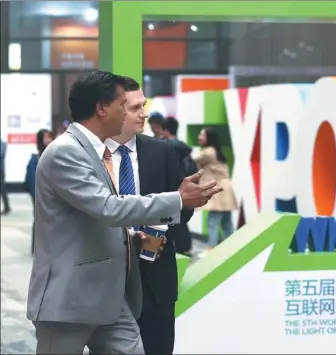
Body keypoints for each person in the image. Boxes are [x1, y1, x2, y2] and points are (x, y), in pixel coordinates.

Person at [26, 70, 223, 355]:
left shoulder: (93, 151)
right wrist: (177, 200)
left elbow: (94, 218)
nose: (138, 113)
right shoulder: (66, 152)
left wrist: (132, 242)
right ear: (102, 108)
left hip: (110, 296)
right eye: (125, 105)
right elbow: (107, 207)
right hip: (70, 298)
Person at [104, 77, 193, 355]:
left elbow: (183, 209)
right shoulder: (90, 155)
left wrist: (156, 229)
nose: (144, 113)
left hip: (156, 277)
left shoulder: (163, 152)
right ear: (110, 109)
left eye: (144, 105)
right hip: (107, 278)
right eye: (134, 108)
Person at [195, 127, 237, 249]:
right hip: (225, 190)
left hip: (219, 190)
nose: (199, 137)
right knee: (226, 222)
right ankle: (232, 248)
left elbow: (194, 160)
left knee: (212, 221)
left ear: (209, 138)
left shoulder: (208, 152)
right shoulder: (215, 151)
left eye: (202, 135)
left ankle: (211, 250)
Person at [161, 116, 197, 255]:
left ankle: (180, 249)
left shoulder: (166, 148)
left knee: (174, 222)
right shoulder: (184, 148)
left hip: (173, 190)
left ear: (165, 130)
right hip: (186, 188)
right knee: (181, 221)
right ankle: (185, 248)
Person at [25, 129, 54, 253]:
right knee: (39, 220)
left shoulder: (55, 156)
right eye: (45, 137)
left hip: (53, 196)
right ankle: (36, 247)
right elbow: (31, 181)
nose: (49, 140)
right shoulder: (35, 159)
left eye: (50, 137)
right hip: (40, 195)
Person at [0, 138, 11, 215]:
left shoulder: (2, 143)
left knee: (2, 188)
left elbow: (1, 153)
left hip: (0, 169)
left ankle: (7, 207)